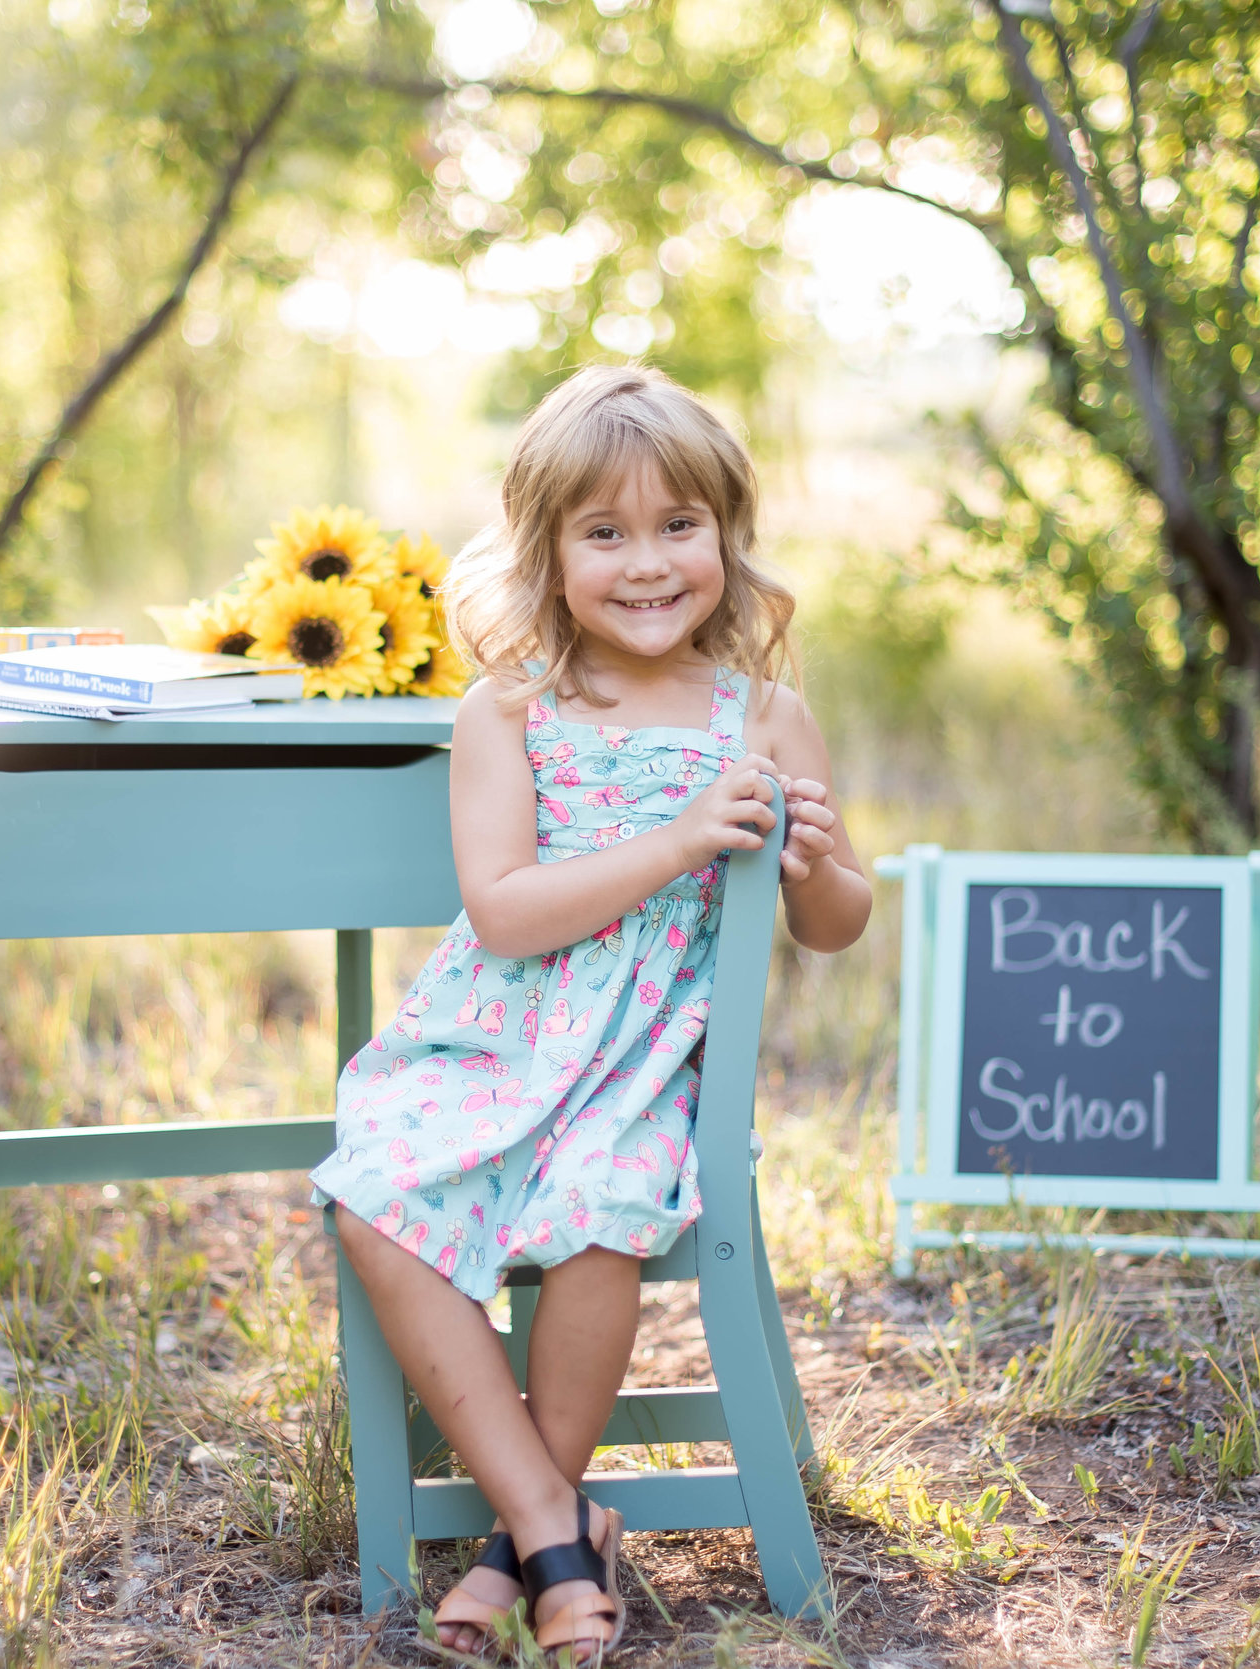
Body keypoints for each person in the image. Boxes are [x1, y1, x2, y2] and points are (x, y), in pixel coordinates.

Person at [309, 363, 872, 1664]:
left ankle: (529, 1548)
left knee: (597, 1222)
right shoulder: (509, 709)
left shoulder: (767, 716)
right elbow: (503, 908)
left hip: (642, 1067)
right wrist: (679, 841)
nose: (648, 561)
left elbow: (834, 927)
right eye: (604, 532)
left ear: (725, 537)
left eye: (679, 525)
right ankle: (554, 1518)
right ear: (547, 554)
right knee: (374, 1196)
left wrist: (825, 865)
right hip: (496, 1039)